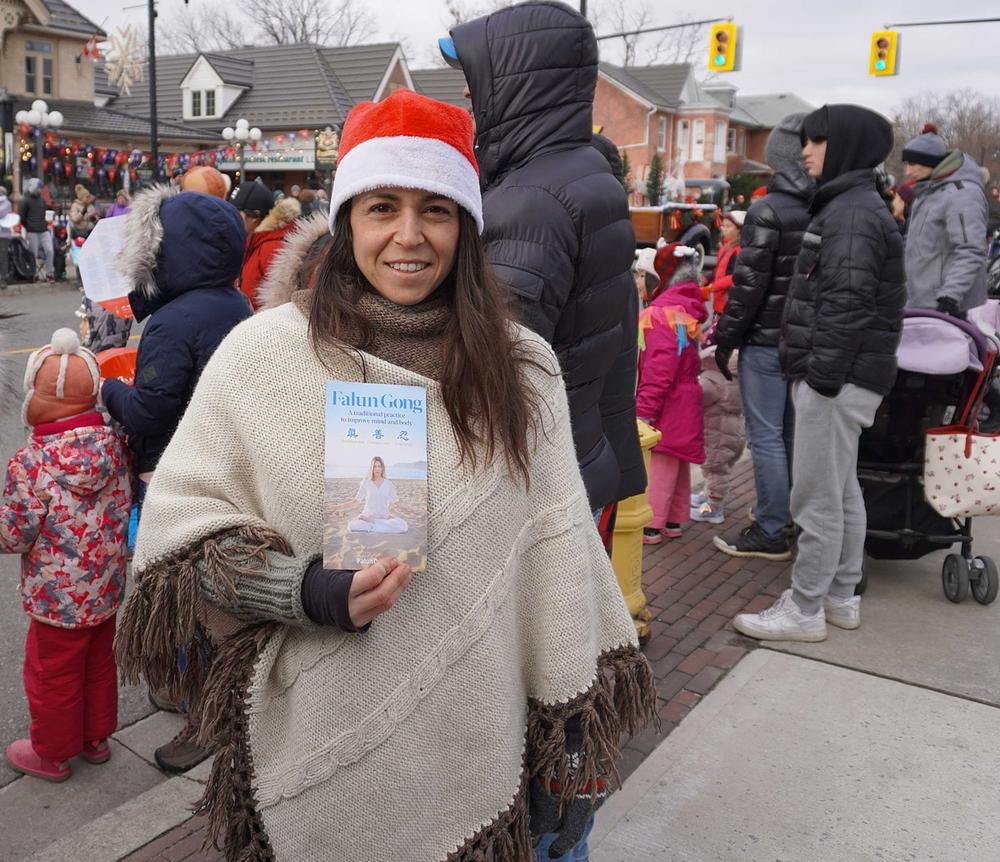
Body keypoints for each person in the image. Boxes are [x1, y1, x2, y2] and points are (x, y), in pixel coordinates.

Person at [114, 89, 655, 861]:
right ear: (347, 223)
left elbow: (558, 557)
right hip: (320, 730)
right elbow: (181, 537)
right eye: (382, 208)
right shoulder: (264, 355)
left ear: (465, 224)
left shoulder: (522, 368)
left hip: (478, 735)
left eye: (435, 209)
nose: (409, 235)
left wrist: (565, 746)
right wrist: (305, 590)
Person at [440, 2, 645, 521]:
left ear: (517, 81)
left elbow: (493, 369)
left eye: (475, 75)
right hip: (576, 450)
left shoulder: (531, 201)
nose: (466, 92)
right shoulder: (584, 173)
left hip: (530, 478)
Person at [733, 105, 905, 642]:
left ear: (845, 146)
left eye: (815, 141)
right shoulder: (854, 205)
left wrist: (820, 379)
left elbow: (846, 305)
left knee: (817, 497)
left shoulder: (850, 212)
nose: (804, 151)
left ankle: (805, 607)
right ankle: (839, 596)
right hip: (849, 377)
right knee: (841, 490)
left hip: (835, 379)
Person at [102, 186, 251, 771]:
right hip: (225, 467)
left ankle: (201, 715)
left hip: (173, 472)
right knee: (210, 593)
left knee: (181, 594)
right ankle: (191, 692)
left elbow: (150, 410)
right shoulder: (235, 303)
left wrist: (107, 390)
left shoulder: (171, 321)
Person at [2, 330, 132, 782]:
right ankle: (96, 738)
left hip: (57, 600)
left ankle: (52, 753)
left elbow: (15, 533)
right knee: (98, 664)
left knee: (52, 675)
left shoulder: (31, 462)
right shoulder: (115, 447)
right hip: (106, 588)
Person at [713, 112, 814, 560]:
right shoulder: (821, 205)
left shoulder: (768, 209)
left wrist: (726, 338)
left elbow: (748, 285)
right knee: (789, 432)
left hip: (765, 340)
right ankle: (786, 516)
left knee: (766, 435)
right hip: (802, 338)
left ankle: (772, 527)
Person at [638, 243, 707, 545]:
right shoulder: (684, 309)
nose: (638, 282)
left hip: (667, 403)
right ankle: (674, 519)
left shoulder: (658, 314)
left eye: (642, 276)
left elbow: (658, 369)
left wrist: (644, 410)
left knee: (661, 464)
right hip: (686, 397)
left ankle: (651, 524)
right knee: (678, 463)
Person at [902, 122, 989, 317]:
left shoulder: (962, 194)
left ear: (930, 163)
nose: (907, 172)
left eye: (912, 164)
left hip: (945, 306)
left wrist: (949, 298)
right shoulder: (927, 191)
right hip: (919, 300)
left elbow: (971, 250)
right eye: (906, 164)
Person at [690, 323, 745, 525]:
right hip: (731, 432)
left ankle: (712, 509)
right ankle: (708, 496)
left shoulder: (712, 379)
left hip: (717, 435)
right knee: (718, 470)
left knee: (715, 471)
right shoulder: (732, 376)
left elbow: (697, 394)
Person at [230, 181, 301, 310]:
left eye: (235, 213)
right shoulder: (254, 240)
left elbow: (280, 304)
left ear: (255, 216)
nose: (230, 218)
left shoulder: (272, 248)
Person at [347, 457, 408, 534]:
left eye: (379, 466)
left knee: (403, 526)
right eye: (375, 466)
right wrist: (336, 507)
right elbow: (355, 501)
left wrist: (413, 508)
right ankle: (377, 525)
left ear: (382, 468)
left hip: (383, 517)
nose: (377, 469)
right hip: (368, 516)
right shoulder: (366, 482)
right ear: (372, 468)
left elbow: (397, 502)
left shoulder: (388, 484)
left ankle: (373, 524)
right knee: (352, 526)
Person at [703, 209, 744, 318]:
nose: (723, 229)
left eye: (728, 226)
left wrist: (713, 286)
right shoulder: (725, 246)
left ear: (739, 230)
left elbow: (734, 276)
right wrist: (705, 279)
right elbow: (719, 269)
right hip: (719, 302)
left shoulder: (738, 250)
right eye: (723, 226)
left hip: (728, 302)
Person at [18, 178, 53, 281]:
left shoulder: (42, 199)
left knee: (50, 250)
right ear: (34, 187)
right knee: (33, 254)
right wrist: (29, 226)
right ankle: (34, 274)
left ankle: (49, 273)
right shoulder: (25, 200)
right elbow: (22, 216)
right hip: (32, 231)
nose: (40, 190)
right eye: (39, 188)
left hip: (43, 229)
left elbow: (43, 212)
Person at [0, 186, 11, 289]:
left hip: (3, 235)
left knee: (2, 257)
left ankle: (3, 278)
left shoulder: (6, 203)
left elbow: (1, 213)